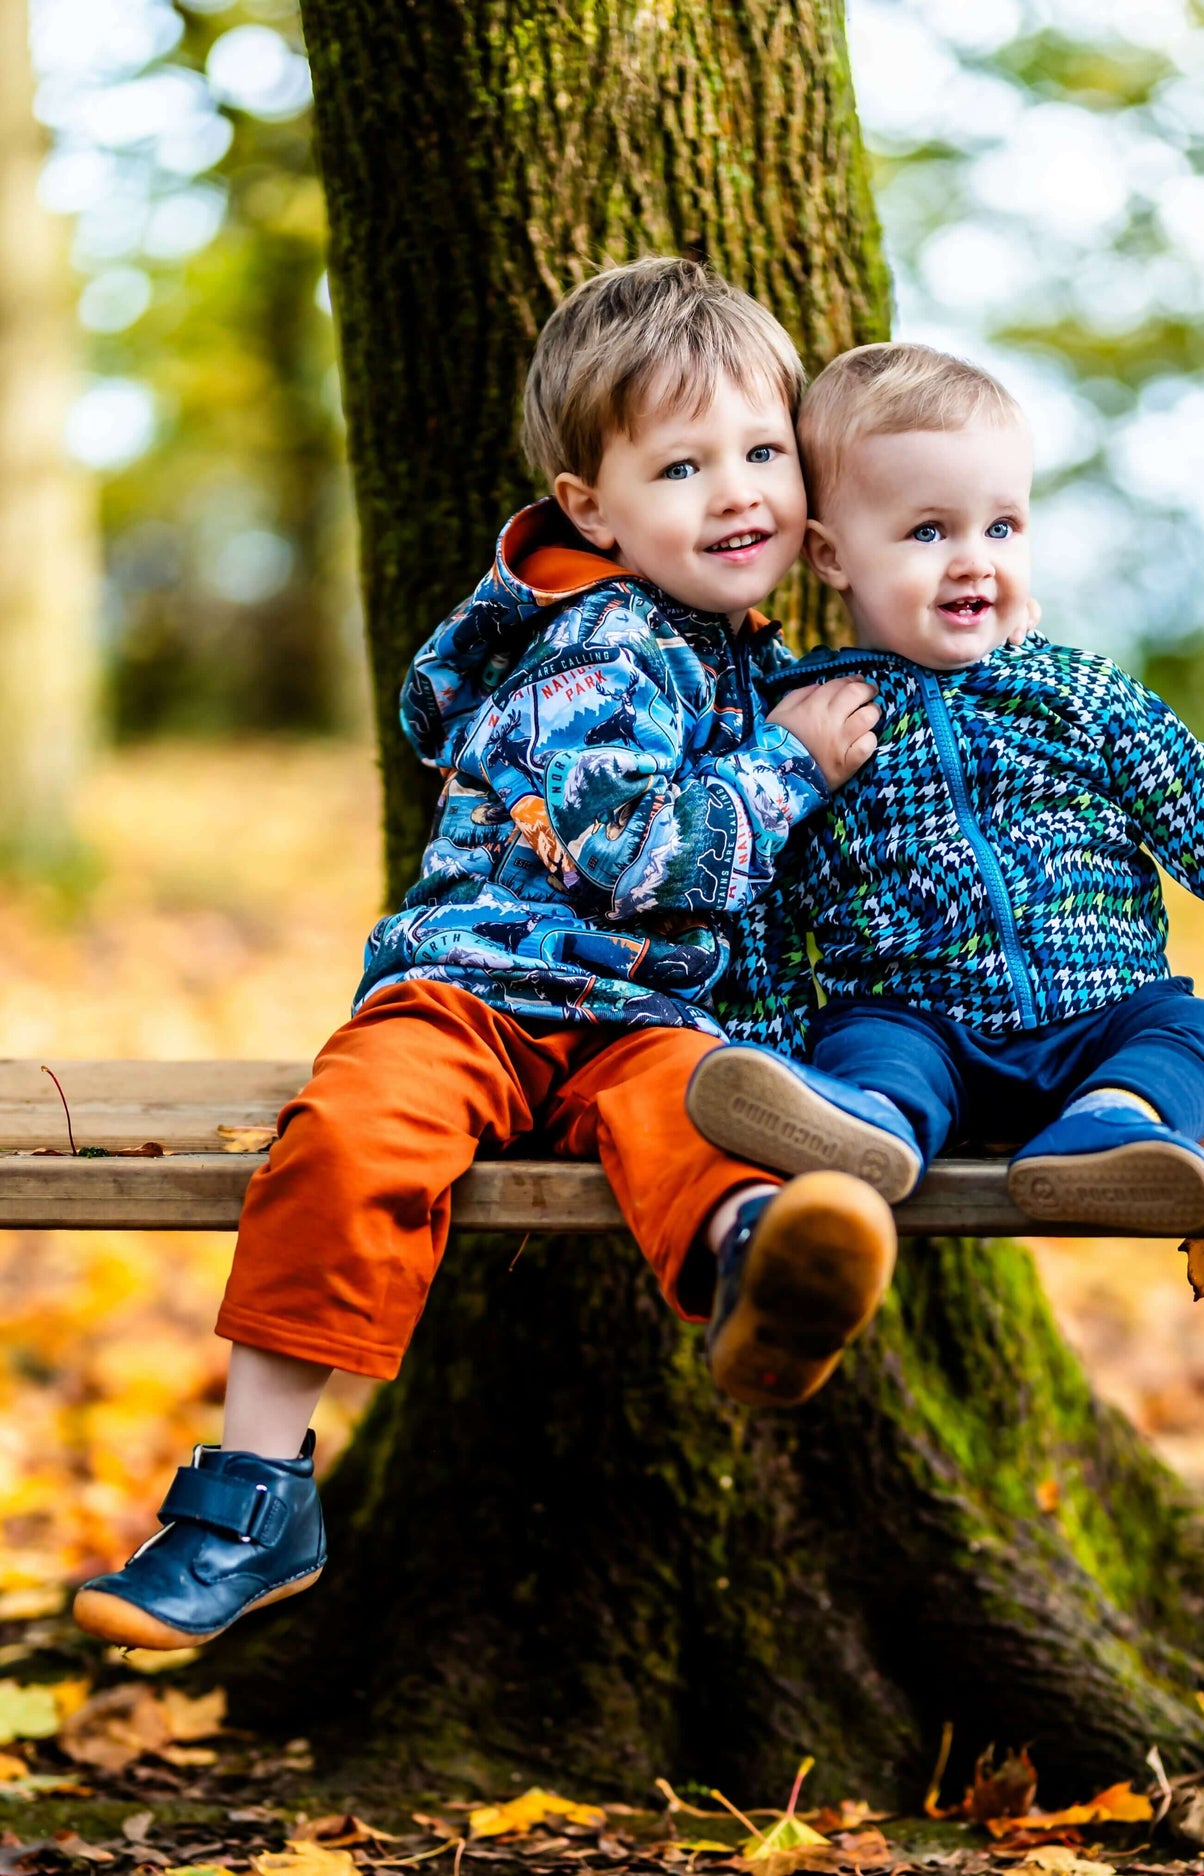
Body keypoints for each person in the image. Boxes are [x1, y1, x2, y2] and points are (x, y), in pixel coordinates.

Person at [72, 259, 893, 1653]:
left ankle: (762, 1265)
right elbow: (636, 852)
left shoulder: (734, 652)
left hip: (639, 1020)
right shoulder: (609, 644)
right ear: (592, 509)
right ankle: (253, 1496)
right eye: (681, 466)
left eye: (763, 452)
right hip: (474, 996)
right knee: (351, 1138)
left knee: (699, 1119)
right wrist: (786, 764)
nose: (738, 493)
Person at [689, 341, 1204, 1238]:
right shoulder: (812, 719)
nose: (973, 561)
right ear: (831, 554)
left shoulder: (1070, 690)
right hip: (918, 1025)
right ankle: (870, 1124)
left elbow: (1202, 800)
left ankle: (1110, 1127)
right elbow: (763, 904)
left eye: (1001, 528)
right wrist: (767, 1042)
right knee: (864, 1044)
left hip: (1097, 1013)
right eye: (928, 532)